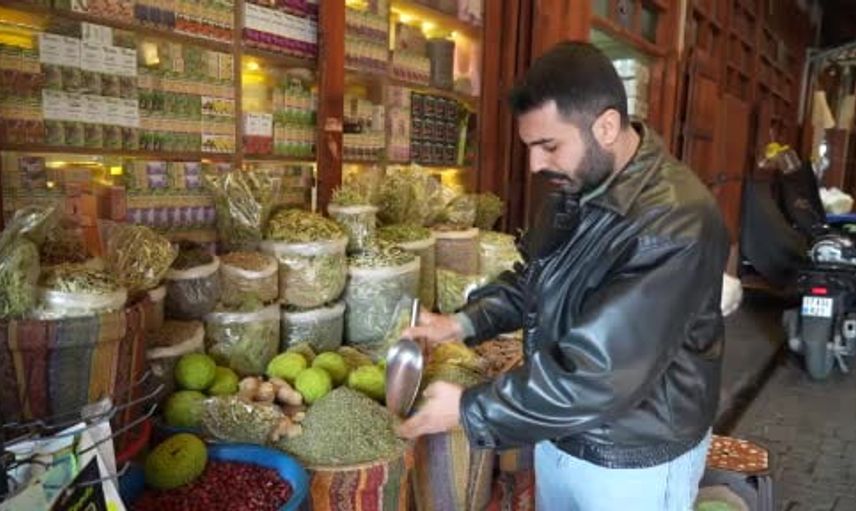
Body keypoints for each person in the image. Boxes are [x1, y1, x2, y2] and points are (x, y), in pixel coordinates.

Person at [396, 41, 730, 510]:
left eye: (549, 146)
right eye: (531, 147)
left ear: (606, 127)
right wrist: (461, 323)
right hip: (559, 430)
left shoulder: (676, 221)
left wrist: (470, 408)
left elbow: (599, 374)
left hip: (631, 461)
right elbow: (534, 278)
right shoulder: (577, 184)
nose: (536, 164)